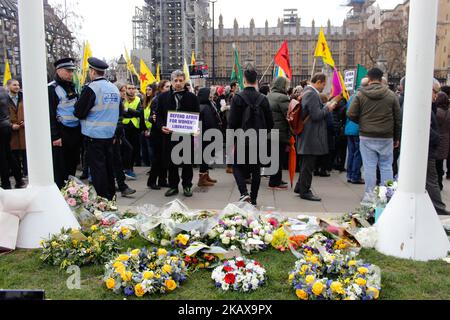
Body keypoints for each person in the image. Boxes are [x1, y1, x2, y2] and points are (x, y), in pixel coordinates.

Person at [347, 68, 402, 205]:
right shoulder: (391, 95)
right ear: (381, 78)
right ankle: (387, 196)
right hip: (386, 136)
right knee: (386, 166)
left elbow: (350, 113)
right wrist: (397, 137)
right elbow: (398, 118)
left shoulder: (361, 94)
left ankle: (369, 196)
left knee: (369, 166)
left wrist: (362, 122)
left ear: (369, 78)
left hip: (366, 135)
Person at [74, 57, 120, 200]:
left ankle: (102, 199)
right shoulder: (114, 88)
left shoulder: (92, 88)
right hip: (109, 134)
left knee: (98, 169)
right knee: (108, 167)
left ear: (92, 71)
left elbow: (79, 112)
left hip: (94, 134)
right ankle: (111, 196)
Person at [228, 64, 274, 206]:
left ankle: (244, 193)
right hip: (258, 139)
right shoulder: (263, 98)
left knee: (236, 166)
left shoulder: (237, 98)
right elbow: (270, 123)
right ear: (257, 81)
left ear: (244, 81)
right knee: (256, 170)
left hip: (241, 138)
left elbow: (232, 122)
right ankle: (253, 199)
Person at [156, 70, 200, 198]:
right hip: (169, 135)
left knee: (187, 162)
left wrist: (196, 127)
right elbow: (158, 115)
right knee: (171, 162)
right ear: (171, 81)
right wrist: (161, 126)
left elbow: (197, 115)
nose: (178, 83)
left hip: (186, 135)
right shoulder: (163, 97)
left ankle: (187, 185)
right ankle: (173, 186)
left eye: (181, 80)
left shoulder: (192, 97)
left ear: (184, 81)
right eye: (176, 80)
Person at [294, 73, 338, 201]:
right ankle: (305, 191)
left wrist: (324, 106)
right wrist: (328, 108)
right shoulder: (312, 94)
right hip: (310, 134)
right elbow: (316, 115)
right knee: (308, 163)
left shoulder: (307, 91)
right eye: (323, 84)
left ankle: (299, 186)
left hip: (307, 133)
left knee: (305, 162)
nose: (324, 87)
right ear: (318, 82)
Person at [48, 58, 82, 189]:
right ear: (59, 71)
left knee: (72, 164)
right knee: (60, 166)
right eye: (68, 71)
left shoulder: (72, 86)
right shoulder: (52, 89)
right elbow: (50, 114)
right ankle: (60, 191)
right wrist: (55, 136)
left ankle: (70, 191)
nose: (71, 74)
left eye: (72, 71)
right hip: (61, 132)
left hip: (74, 132)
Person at [426, 80, 449, 216]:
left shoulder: (431, 107)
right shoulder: (426, 107)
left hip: (430, 149)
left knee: (432, 179)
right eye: (435, 92)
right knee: (432, 180)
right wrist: (437, 137)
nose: (436, 95)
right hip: (429, 149)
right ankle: (438, 207)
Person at [112, 83, 136, 198]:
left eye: (125, 90)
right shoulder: (115, 102)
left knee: (118, 159)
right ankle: (121, 185)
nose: (124, 92)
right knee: (116, 161)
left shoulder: (120, 102)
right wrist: (115, 135)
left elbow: (123, 115)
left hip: (118, 134)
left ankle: (121, 183)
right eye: (122, 90)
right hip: (114, 135)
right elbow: (115, 119)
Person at [267, 76, 290, 190]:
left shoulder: (269, 95)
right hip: (279, 132)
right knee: (278, 158)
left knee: (274, 157)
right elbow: (289, 115)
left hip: (270, 131)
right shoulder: (282, 98)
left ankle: (276, 179)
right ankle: (274, 182)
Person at [345, 78, 369, 185]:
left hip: (349, 128)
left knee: (351, 153)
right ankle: (355, 176)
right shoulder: (363, 96)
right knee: (358, 154)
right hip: (357, 128)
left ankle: (349, 175)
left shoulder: (352, 96)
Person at [147, 80, 170, 190]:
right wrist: (155, 119)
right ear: (161, 88)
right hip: (157, 134)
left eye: (170, 87)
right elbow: (153, 117)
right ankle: (151, 181)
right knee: (156, 159)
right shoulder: (157, 100)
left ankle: (162, 180)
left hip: (164, 133)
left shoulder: (167, 99)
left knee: (164, 158)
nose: (169, 89)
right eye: (166, 87)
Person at [197, 87, 222, 187]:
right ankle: (202, 179)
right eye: (209, 93)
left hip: (206, 134)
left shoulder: (207, 104)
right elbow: (209, 122)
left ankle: (206, 175)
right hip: (206, 135)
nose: (211, 95)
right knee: (205, 156)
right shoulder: (204, 106)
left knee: (206, 157)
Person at [0, 87, 24, 189]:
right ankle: (19, 179)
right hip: (6, 126)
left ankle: (6, 183)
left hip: (1, 126)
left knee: (2, 157)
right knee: (9, 155)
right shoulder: (4, 91)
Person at [7, 79, 27, 178]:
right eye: (14, 85)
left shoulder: (24, 97)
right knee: (14, 154)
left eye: (18, 85)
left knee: (25, 153)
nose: (17, 87)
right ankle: (17, 174)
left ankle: (26, 173)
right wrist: (10, 125)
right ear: (8, 86)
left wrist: (26, 121)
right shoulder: (4, 99)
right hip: (11, 131)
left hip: (23, 130)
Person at [122, 84, 142, 179]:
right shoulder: (122, 99)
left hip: (134, 127)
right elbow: (122, 113)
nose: (131, 90)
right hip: (124, 127)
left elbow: (139, 113)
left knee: (133, 149)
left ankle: (130, 168)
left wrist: (128, 111)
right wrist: (131, 114)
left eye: (133, 88)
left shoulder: (138, 99)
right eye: (129, 88)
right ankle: (126, 168)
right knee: (125, 149)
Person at [435, 91, 450, 190]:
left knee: (435, 164)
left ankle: (437, 183)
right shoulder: (449, 112)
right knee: (440, 163)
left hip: (437, 138)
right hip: (446, 139)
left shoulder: (437, 112)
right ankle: (440, 183)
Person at [141, 84, 157, 168]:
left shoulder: (154, 101)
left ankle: (154, 168)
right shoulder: (146, 102)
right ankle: (152, 167)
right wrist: (145, 129)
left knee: (152, 150)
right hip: (146, 129)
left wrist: (150, 129)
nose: (147, 91)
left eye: (149, 89)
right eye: (146, 90)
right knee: (148, 150)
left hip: (152, 129)